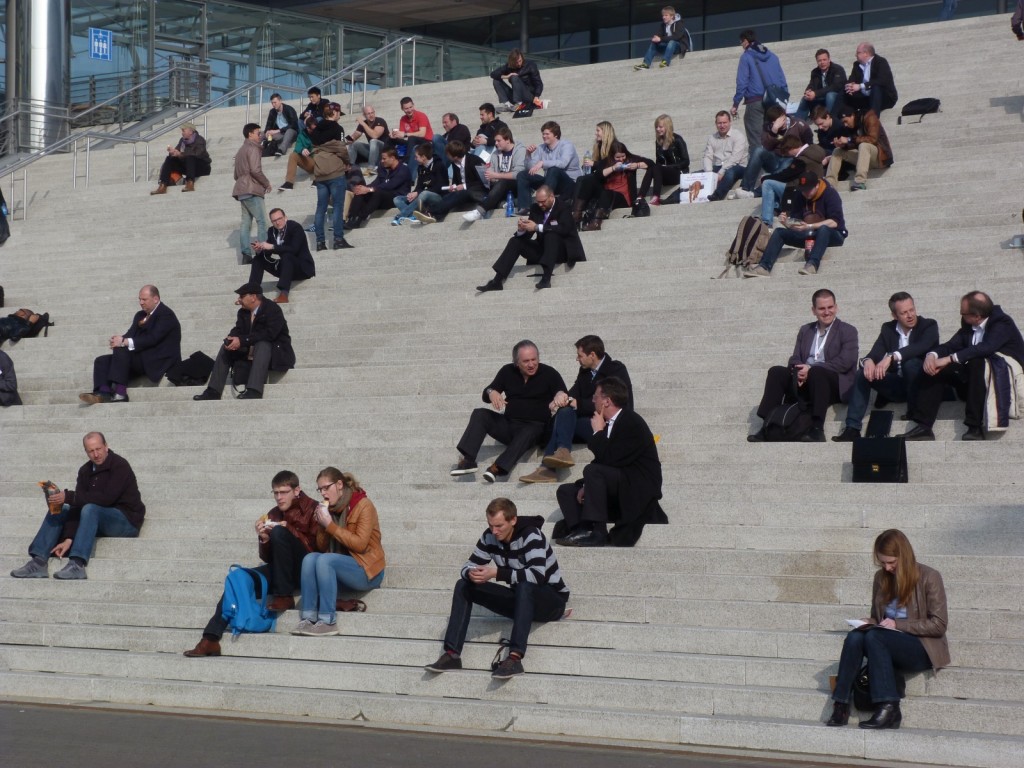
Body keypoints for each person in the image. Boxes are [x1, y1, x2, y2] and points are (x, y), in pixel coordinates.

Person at [424, 497, 569, 679]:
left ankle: (514, 658)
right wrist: (472, 574)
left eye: (499, 526)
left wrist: (496, 573)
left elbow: (537, 576)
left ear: (513, 520)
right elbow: (466, 566)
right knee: (463, 585)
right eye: (491, 525)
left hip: (551, 601)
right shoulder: (489, 536)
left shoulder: (531, 535)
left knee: (525, 585)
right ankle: (452, 654)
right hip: (521, 600)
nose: (495, 531)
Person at [182, 470, 322, 657]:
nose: (279, 497)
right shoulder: (273, 513)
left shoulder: (314, 509)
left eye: (283, 492)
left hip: (305, 569)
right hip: (281, 570)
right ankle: (210, 639)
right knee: (238, 578)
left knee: (280, 533)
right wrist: (264, 538)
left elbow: (318, 550)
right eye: (275, 493)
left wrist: (287, 531)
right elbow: (268, 558)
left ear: (297, 490)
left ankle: (284, 595)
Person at [826, 529, 949, 730]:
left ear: (905, 556)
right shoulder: (881, 577)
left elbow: (939, 624)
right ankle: (841, 703)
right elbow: (879, 616)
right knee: (856, 637)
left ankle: (889, 706)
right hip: (885, 639)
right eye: (883, 563)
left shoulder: (929, 577)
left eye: (892, 562)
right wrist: (870, 620)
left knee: (875, 637)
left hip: (921, 646)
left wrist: (898, 625)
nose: (887, 567)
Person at [11, 432, 144, 580]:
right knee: (61, 508)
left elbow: (107, 498)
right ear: (86, 452)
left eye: (98, 449)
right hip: (97, 517)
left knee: (90, 508)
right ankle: (38, 562)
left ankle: (77, 564)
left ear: (106, 446)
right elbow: (78, 505)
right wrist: (69, 538)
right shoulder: (85, 470)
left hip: (126, 520)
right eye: (91, 451)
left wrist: (69, 496)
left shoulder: (120, 465)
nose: (96, 454)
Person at [554, 377, 666, 547]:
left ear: (606, 401)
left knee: (593, 471)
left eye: (596, 396)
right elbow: (606, 461)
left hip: (635, 487)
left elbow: (611, 459)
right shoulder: (611, 424)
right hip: (619, 481)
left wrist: (597, 432)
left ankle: (599, 532)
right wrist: (585, 486)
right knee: (566, 491)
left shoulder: (631, 421)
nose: (593, 400)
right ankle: (581, 529)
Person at [904, 292, 1024, 442]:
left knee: (977, 361)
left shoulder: (1002, 323)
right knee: (936, 369)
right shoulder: (969, 325)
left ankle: (974, 427)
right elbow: (951, 345)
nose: (961, 315)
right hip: (973, 382)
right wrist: (932, 355)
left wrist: (949, 359)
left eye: (963, 313)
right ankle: (924, 426)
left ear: (977, 315)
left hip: (1000, 382)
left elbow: (985, 348)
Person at [748, 289, 858, 443]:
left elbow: (846, 362)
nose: (827, 312)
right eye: (821, 308)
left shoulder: (848, 331)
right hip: (806, 378)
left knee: (818, 372)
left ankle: (817, 429)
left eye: (830, 307)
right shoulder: (805, 330)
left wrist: (811, 369)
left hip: (833, 382)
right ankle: (767, 425)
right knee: (776, 372)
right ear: (814, 310)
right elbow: (795, 358)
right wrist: (798, 371)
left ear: (836, 307)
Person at [519, 335, 632, 484]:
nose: (577, 359)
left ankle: (547, 469)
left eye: (580, 355)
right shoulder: (585, 372)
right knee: (564, 412)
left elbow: (613, 403)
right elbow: (574, 393)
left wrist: (576, 403)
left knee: (563, 418)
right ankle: (562, 452)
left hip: (608, 425)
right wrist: (561, 398)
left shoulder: (616, 369)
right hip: (588, 421)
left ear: (592, 355)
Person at [450, 340, 567, 481]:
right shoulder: (507, 371)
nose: (531, 364)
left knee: (531, 429)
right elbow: (487, 393)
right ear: (516, 362)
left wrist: (560, 395)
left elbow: (562, 392)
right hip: (510, 424)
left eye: (534, 359)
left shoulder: (550, 373)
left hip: (536, 428)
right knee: (480, 413)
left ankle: (498, 467)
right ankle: (468, 460)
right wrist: (491, 392)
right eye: (526, 361)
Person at [832, 292, 939, 441]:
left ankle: (915, 413)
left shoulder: (929, 325)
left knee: (911, 363)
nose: (910, 315)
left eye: (912, 310)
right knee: (862, 372)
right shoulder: (888, 329)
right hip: (897, 386)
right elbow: (875, 352)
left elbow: (921, 347)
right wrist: (868, 361)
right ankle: (852, 428)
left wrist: (892, 356)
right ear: (894, 315)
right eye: (904, 313)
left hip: (921, 386)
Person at [293, 467, 385, 637]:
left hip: (367, 569)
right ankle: (308, 618)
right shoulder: (331, 509)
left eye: (326, 488)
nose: (323, 493)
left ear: (340, 484)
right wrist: (322, 524)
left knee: (325, 560)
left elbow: (360, 545)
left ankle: (328, 621)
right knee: (310, 558)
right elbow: (321, 547)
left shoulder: (363, 505)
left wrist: (330, 525)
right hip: (343, 568)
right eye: (320, 489)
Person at [79, 285, 182, 404]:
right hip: (141, 356)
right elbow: (130, 334)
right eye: (139, 299)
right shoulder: (140, 315)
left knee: (122, 349)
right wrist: (119, 340)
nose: (141, 303)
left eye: (144, 299)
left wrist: (124, 342)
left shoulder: (166, 315)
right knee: (101, 360)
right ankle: (103, 393)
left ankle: (120, 393)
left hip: (158, 359)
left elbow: (153, 339)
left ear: (155, 299)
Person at [193, 283, 295, 401]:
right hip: (250, 351)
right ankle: (213, 391)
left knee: (262, 344)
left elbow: (269, 334)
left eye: (241, 296)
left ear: (253, 297)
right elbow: (239, 329)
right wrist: (231, 338)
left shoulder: (272, 309)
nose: (239, 299)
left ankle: (254, 390)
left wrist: (242, 340)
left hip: (275, 353)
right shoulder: (243, 312)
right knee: (226, 347)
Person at [476, 185, 586, 291]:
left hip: (563, 251)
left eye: (543, 202)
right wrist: (522, 229)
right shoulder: (535, 208)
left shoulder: (564, 207)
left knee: (550, 234)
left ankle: (546, 278)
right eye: (538, 202)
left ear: (552, 196)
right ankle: (497, 281)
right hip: (544, 250)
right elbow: (530, 232)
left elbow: (564, 229)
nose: (540, 205)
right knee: (515, 241)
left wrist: (538, 227)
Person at [744, 172, 847, 277]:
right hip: (809, 234)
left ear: (816, 186)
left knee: (823, 229)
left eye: (808, 190)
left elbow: (834, 222)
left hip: (833, 234)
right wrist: (786, 223)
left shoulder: (830, 193)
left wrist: (809, 226)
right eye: (803, 190)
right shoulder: (800, 195)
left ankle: (812, 264)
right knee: (780, 232)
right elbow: (798, 224)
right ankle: (764, 266)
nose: (805, 193)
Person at [733, 104, 812, 199]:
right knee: (758, 150)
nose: (778, 123)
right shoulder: (768, 127)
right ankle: (745, 188)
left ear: (784, 115)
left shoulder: (799, 125)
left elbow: (809, 145)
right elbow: (766, 146)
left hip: (792, 158)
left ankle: (756, 193)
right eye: (774, 122)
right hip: (775, 157)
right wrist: (773, 131)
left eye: (780, 120)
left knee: (784, 168)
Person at [731, 29, 788, 153]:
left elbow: (742, 82)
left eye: (741, 42)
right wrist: (784, 103)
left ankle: (758, 171)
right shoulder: (773, 56)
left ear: (746, 41)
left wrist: (736, 103)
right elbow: (783, 81)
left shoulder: (746, 57)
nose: (741, 45)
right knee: (774, 138)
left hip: (755, 101)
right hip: (774, 101)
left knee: (756, 142)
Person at [756, 134, 827, 228]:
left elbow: (785, 175)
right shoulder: (813, 151)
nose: (787, 155)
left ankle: (766, 221)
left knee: (768, 183)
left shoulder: (802, 160)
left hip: (800, 191)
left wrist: (765, 178)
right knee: (774, 181)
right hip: (811, 187)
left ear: (791, 148)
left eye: (786, 152)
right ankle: (776, 208)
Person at [249, 208, 316, 304]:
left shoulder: (295, 227)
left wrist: (272, 246)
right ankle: (252, 293)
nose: (277, 222)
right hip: (287, 268)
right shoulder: (272, 231)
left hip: (303, 268)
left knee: (287, 255)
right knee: (257, 259)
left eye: (279, 219)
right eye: (274, 221)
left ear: (285, 218)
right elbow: (268, 253)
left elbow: (294, 249)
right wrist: (260, 250)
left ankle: (284, 294)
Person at [412, 140, 487, 224]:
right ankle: (434, 216)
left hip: (476, 192)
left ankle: (430, 212)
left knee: (460, 194)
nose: (447, 157)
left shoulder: (475, 160)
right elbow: (456, 181)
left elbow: (484, 182)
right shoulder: (455, 164)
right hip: (462, 193)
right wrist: (453, 187)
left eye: (448, 154)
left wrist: (464, 186)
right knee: (449, 196)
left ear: (454, 156)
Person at [462, 127, 528, 222]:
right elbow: (492, 173)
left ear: (508, 140)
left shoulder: (520, 150)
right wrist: (488, 175)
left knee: (503, 182)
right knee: (472, 190)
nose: (496, 143)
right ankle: (502, 204)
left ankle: (480, 211)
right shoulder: (495, 154)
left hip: (516, 185)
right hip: (498, 185)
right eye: (495, 141)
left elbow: (518, 174)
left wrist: (496, 176)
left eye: (498, 140)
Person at [515, 121, 581, 213]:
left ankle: (545, 205)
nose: (544, 136)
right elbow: (530, 168)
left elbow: (563, 163)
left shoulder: (566, 145)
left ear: (556, 135)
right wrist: (528, 155)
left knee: (554, 169)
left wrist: (543, 163)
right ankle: (525, 207)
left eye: (547, 134)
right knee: (523, 175)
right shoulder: (542, 148)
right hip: (551, 182)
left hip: (569, 183)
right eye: (543, 134)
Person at [824, 106, 894, 192]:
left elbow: (873, 139)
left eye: (846, 121)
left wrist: (849, 140)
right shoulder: (851, 127)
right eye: (843, 123)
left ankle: (860, 182)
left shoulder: (869, 117)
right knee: (837, 151)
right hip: (865, 159)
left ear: (852, 115)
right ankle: (830, 184)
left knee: (864, 145)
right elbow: (855, 144)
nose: (845, 124)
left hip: (881, 157)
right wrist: (843, 145)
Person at [311, 112, 353, 251]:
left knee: (320, 208)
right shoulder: (337, 128)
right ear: (334, 114)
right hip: (335, 172)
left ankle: (320, 242)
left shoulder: (316, 129)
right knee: (337, 207)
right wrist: (347, 162)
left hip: (320, 173)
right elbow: (342, 148)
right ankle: (338, 239)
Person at [233, 123, 272, 263]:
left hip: (241, 190)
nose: (260, 135)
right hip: (252, 189)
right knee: (262, 221)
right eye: (257, 132)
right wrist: (266, 183)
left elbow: (236, 174)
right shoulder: (253, 148)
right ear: (250, 134)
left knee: (245, 223)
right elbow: (255, 170)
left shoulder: (240, 150)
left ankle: (246, 254)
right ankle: (262, 251)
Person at [345, 148, 412, 229]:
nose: (382, 161)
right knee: (360, 191)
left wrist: (369, 189)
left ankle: (360, 218)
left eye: (384, 158)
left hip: (396, 198)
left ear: (392, 158)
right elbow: (377, 181)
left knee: (377, 192)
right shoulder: (383, 167)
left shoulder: (403, 170)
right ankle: (351, 218)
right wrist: (364, 188)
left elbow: (389, 186)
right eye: (381, 158)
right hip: (380, 197)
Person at [571, 121, 620, 223]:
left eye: (598, 131)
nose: (596, 133)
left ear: (605, 132)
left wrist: (594, 164)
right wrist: (587, 166)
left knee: (586, 179)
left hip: (611, 184)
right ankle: (575, 212)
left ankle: (576, 212)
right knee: (581, 179)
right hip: (600, 181)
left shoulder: (615, 147)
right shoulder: (598, 146)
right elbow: (596, 167)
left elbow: (609, 164)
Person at [637, 114, 689, 206]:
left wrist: (669, 167)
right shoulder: (658, 141)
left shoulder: (677, 140)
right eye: (656, 127)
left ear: (667, 126)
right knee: (652, 167)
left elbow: (686, 161)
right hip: (664, 174)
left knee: (656, 167)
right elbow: (658, 162)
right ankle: (640, 197)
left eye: (660, 127)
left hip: (678, 173)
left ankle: (656, 196)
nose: (658, 129)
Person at [392, 143, 447, 225]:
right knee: (397, 199)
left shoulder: (439, 165)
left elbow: (439, 187)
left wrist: (418, 193)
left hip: (438, 196)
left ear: (424, 157)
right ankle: (412, 216)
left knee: (424, 194)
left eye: (416, 157)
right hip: (423, 196)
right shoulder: (420, 168)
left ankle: (400, 216)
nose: (415, 159)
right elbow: (419, 186)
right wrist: (413, 193)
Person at [150, 123, 211, 194]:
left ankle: (190, 183)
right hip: (188, 167)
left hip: (201, 167)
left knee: (190, 157)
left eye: (183, 131)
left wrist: (180, 154)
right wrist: (173, 152)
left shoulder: (199, 140)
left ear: (190, 132)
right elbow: (177, 151)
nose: (182, 133)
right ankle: (163, 185)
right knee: (170, 159)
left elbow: (197, 154)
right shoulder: (182, 141)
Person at [704, 111, 749, 202]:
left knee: (730, 172)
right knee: (697, 174)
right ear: (716, 124)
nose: (722, 125)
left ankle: (717, 195)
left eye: (724, 123)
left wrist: (721, 172)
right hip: (718, 166)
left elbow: (735, 159)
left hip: (738, 167)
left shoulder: (738, 136)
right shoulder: (711, 138)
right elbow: (707, 156)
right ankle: (674, 198)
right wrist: (708, 173)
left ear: (730, 122)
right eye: (719, 123)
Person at [844, 43, 898, 117]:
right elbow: (852, 79)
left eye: (858, 53)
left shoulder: (880, 62)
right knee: (843, 92)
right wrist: (849, 86)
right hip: (866, 98)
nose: (855, 55)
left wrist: (860, 86)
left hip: (884, 98)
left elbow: (881, 81)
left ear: (866, 53)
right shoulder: (856, 65)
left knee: (876, 87)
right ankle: (834, 120)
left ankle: (874, 120)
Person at [795, 49, 846, 120]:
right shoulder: (815, 72)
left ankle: (830, 120)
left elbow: (835, 87)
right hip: (821, 97)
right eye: (819, 60)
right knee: (805, 98)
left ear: (829, 59)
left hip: (837, 98)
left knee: (830, 95)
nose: (822, 62)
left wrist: (815, 93)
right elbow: (812, 84)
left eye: (824, 60)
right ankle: (798, 122)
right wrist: (808, 91)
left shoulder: (838, 69)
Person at [633, 6, 689, 70]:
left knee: (672, 42)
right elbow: (659, 35)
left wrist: (661, 39)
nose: (663, 17)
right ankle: (646, 64)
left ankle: (665, 62)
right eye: (663, 15)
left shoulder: (679, 24)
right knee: (654, 43)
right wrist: (656, 38)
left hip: (678, 47)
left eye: (666, 15)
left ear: (672, 16)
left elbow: (677, 37)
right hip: (667, 47)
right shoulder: (663, 25)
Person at [390, 97, 433, 171]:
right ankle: (384, 162)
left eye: (411, 107)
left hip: (426, 142)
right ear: (402, 109)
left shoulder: (421, 115)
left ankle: (406, 162)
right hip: (411, 141)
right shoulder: (403, 119)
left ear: (414, 105)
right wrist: (395, 135)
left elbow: (422, 134)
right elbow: (402, 136)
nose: (409, 110)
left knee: (411, 138)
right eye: (406, 108)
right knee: (390, 139)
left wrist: (405, 134)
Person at [277, 117, 317, 191]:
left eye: (315, 129)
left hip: (321, 163)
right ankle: (289, 183)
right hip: (311, 162)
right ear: (307, 128)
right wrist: (302, 150)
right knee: (293, 155)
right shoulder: (302, 135)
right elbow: (297, 147)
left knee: (321, 153)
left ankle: (318, 180)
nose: (314, 131)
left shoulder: (322, 133)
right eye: (312, 129)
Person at [345, 104, 390, 170]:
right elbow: (355, 135)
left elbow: (375, 135)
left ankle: (371, 167)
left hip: (384, 151)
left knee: (373, 141)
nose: (371, 115)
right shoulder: (364, 124)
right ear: (364, 115)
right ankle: (350, 167)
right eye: (368, 114)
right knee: (354, 144)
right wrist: (348, 139)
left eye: (372, 113)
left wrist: (363, 124)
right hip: (373, 153)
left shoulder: (380, 121)